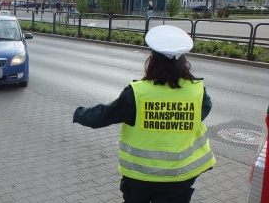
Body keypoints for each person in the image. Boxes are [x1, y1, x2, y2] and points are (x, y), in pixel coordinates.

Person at [73, 25, 216, 203]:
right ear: (183, 61)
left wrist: (79, 114)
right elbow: (202, 113)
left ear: (153, 60)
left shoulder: (137, 93)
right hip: (179, 177)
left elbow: (105, 115)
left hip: (140, 178)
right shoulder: (197, 90)